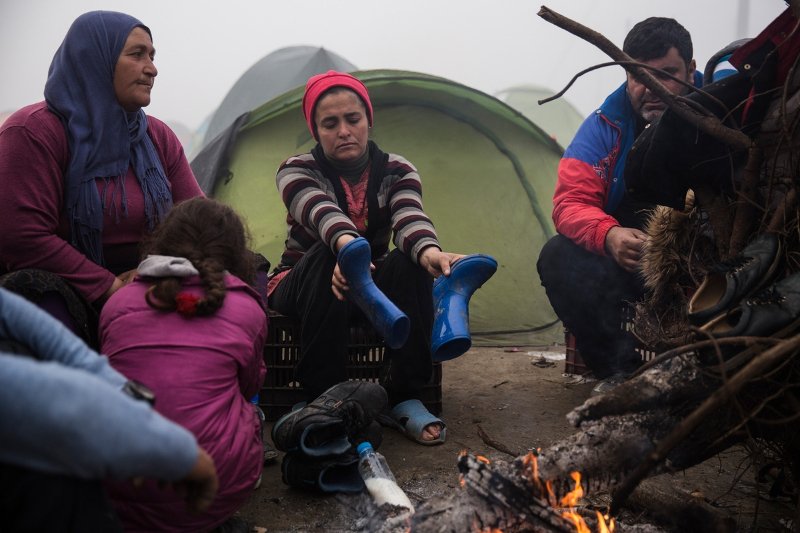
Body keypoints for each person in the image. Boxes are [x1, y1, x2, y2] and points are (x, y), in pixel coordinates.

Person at [268, 70, 464, 445]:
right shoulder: (296, 170)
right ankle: (321, 397)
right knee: (328, 254)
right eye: (330, 123)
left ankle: (405, 395)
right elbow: (321, 211)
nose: (344, 130)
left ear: (368, 122)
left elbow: (410, 216)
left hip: (369, 284)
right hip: (305, 281)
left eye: (352, 119)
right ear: (316, 131)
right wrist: (346, 247)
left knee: (409, 262)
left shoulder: (398, 170)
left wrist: (430, 252)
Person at [0, 11, 203, 343]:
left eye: (152, 56)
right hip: (70, 287)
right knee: (34, 290)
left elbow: (201, 222)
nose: (152, 68)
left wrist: (154, 274)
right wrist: (109, 287)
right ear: (95, 59)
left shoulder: (157, 136)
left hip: (149, 282)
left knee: (243, 265)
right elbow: (20, 236)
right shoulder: (34, 131)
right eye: (137, 54)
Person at [536, 17, 698, 391]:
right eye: (639, 76)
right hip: (638, 263)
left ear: (692, 69)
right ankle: (621, 375)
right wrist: (608, 235)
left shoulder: (724, 108)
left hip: (707, 266)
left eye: (667, 74)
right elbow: (569, 202)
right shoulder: (604, 125)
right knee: (558, 256)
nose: (651, 88)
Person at [98, 197, 267, 531]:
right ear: (236, 251)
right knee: (249, 412)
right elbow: (250, 386)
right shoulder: (247, 308)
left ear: (161, 243)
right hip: (213, 488)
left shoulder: (117, 303)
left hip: (118, 490)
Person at [0, 287, 218, 532]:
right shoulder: (242, 302)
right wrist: (176, 451)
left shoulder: (119, 300)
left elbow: (11, 312)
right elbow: (52, 405)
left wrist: (127, 402)